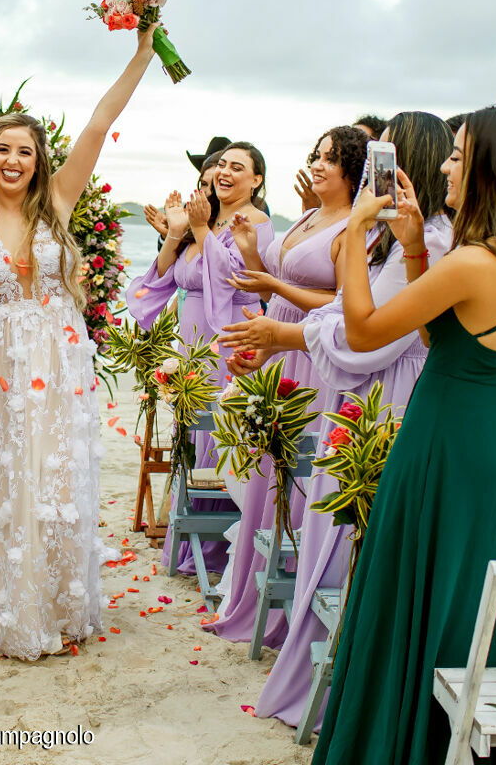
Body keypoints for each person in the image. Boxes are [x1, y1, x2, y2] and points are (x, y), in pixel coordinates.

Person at [312, 105, 496, 765]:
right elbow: (433, 334)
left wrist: (357, 233)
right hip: (494, 449)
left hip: (442, 447)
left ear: (490, 169)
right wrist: (417, 243)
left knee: (409, 594)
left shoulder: (472, 263)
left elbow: (364, 330)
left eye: (458, 154)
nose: (446, 165)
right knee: (460, 603)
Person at [218, 111, 454, 731]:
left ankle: (339, 691)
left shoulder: (424, 242)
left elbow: (364, 333)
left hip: (388, 402)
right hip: (365, 392)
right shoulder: (400, 237)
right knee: (327, 533)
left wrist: (285, 329)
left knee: (341, 540)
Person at [0, 22, 159, 659]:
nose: (13, 161)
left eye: (25, 152)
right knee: (2, 475)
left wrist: (142, 54)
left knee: (53, 479)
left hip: (57, 359)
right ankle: (2, 600)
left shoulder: (56, 206)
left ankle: (54, 600)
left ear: (39, 162)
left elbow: (97, 124)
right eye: (2, 150)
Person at [209, 124, 367, 645]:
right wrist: (253, 253)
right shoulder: (306, 215)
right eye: (316, 155)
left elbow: (344, 305)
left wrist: (274, 286)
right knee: (261, 472)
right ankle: (247, 599)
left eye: (331, 159)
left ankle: (281, 611)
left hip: (308, 355)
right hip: (276, 345)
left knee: (288, 475)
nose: (318, 165)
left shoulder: (350, 229)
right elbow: (271, 283)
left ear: (356, 170)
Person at [126, 141, 274, 575]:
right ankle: (190, 542)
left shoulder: (256, 223)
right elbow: (168, 275)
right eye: (217, 169)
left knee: (220, 436)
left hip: (227, 337)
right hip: (191, 344)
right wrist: (177, 230)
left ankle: (213, 546)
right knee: (192, 438)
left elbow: (232, 277)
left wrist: (204, 229)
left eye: (236, 167)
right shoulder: (204, 223)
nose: (222, 175)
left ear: (257, 179)